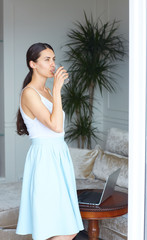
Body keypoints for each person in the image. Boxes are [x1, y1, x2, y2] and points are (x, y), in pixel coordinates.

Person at [16, 42, 84, 240]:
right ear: (33, 64)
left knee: (66, 225)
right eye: (47, 59)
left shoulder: (47, 91)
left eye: (53, 59)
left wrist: (54, 91)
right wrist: (57, 89)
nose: (52, 63)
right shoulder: (29, 93)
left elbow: (57, 127)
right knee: (53, 224)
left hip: (59, 155)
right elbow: (56, 126)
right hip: (45, 159)